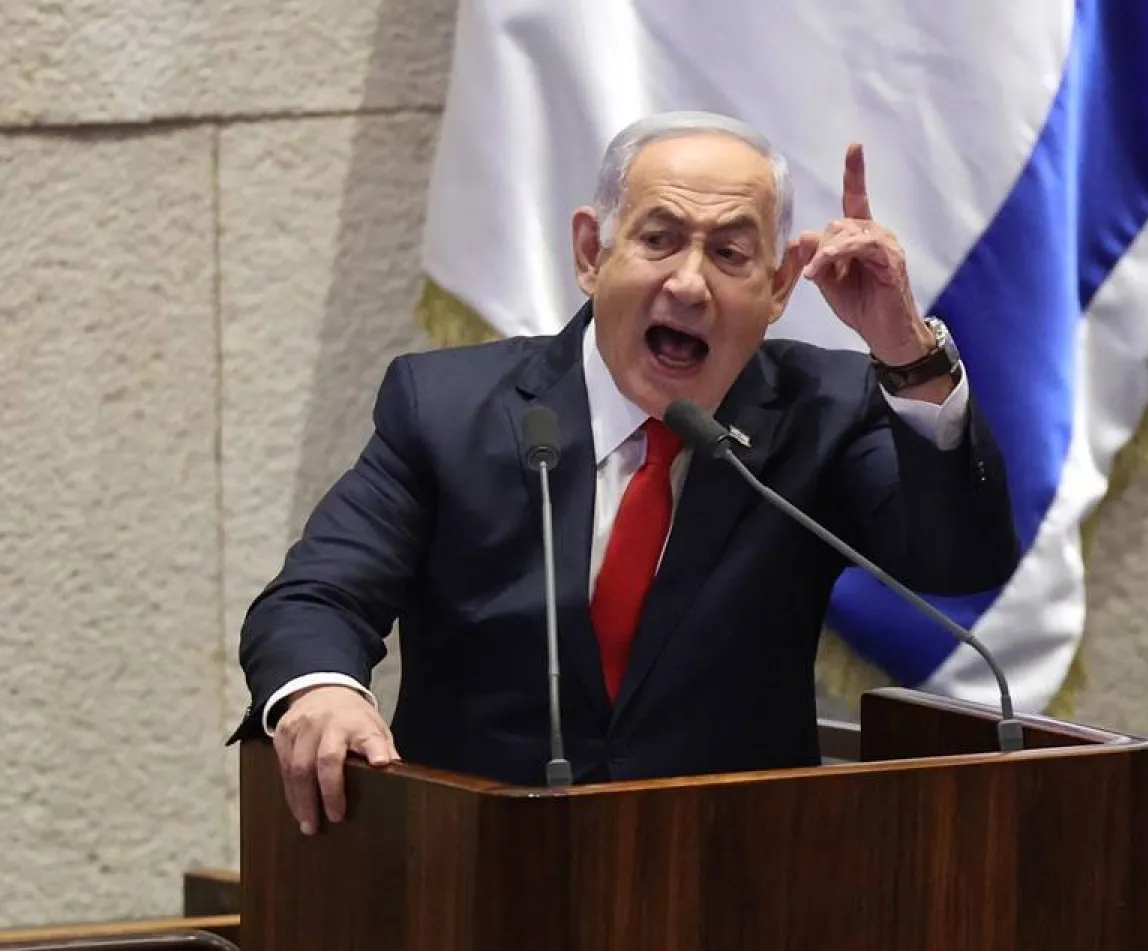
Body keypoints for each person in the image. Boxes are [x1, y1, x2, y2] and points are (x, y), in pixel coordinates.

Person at [232, 111, 1020, 836]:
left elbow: (958, 563)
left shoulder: (825, 409)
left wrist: (906, 350)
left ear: (779, 287)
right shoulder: (447, 409)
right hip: (472, 873)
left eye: (730, 253)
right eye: (659, 239)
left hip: (734, 884)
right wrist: (322, 687)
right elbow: (318, 594)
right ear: (590, 253)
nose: (687, 282)